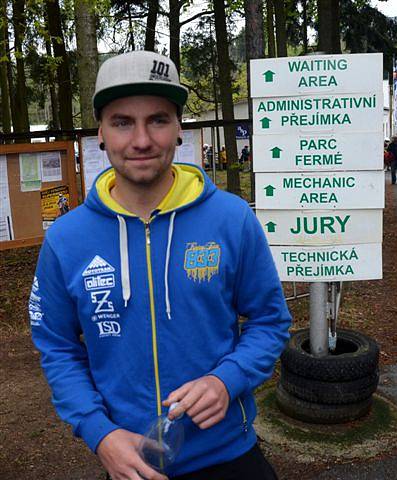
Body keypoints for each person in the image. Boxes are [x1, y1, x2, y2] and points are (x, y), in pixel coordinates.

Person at [29, 50, 291, 480]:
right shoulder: (66, 239)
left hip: (229, 456)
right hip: (129, 462)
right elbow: (57, 346)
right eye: (122, 122)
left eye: (158, 119)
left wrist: (228, 379)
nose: (141, 140)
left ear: (179, 128)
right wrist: (99, 433)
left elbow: (270, 320)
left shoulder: (231, 218)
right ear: (100, 132)